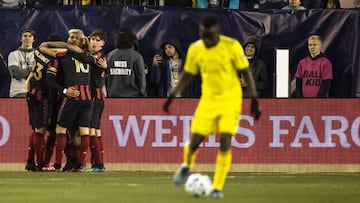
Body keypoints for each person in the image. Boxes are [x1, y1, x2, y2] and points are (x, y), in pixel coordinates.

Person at [163, 15, 261, 198]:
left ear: (217, 34)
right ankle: (186, 166)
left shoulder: (231, 46)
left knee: (225, 142)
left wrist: (254, 99)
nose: (206, 40)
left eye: (209, 37)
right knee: (195, 142)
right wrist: (172, 97)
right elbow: (187, 75)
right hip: (208, 100)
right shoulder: (196, 49)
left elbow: (245, 71)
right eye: (203, 36)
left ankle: (217, 187)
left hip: (230, 100)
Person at [44, 29, 93, 172]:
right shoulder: (88, 56)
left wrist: (64, 90)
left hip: (73, 95)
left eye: (74, 37)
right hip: (88, 97)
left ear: (80, 41)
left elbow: (49, 78)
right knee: (81, 131)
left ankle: (58, 164)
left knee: (61, 129)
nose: (71, 39)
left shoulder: (64, 55)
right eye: (70, 36)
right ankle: (80, 163)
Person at [24, 33, 62, 171]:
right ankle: (42, 163)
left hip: (33, 94)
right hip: (44, 97)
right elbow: (50, 80)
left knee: (37, 129)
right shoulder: (54, 59)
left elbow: (32, 75)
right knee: (42, 130)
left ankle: (30, 161)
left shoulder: (37, 53)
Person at [105, 27, 146, 97]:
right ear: (132, 40)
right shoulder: (137, 57)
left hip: (113, 96)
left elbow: (106, 77)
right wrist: (142, 93)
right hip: (133, 97)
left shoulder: (110, 56)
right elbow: (141, 78)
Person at [8, 28, 36, 98]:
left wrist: (24, 71)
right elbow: (15, 73)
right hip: (17, 92)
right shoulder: (13, 54)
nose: (27, 38)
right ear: (21, 39)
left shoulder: (38, 55)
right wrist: (31, 70)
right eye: (25, 36)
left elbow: (39, 76)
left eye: (30, 36)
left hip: (34, 92)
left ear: (33, 39)